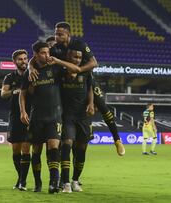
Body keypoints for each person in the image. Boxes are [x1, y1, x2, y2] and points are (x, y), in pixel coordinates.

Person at [29, 22, 125, 156]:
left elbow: (94, 63)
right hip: (66, 81)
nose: (56, 36)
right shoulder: (56, 48)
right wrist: (31, 68)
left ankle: (117, 140)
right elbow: (37, 57)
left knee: (103, 106)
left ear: (68, 34)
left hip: (86, 78)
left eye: (60, 34)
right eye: (56, 34)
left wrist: (79, 70)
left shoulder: (80, 44)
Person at [19, 41, 81, 194]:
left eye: (48, 52)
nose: (47, 55)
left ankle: (54, 182)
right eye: (43, 53)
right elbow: (23, 93)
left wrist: (59, 61)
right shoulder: (30, 72)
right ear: (35, 54)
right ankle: (38, 183)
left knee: (53, 148)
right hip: (37, 116)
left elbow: (76, 69)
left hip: (54, 116)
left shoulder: (56, 68)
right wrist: (22, 112)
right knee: (37, 150)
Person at [60, 46, 94, 193]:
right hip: (67, 116)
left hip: (82, 116)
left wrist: (91, 103)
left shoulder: (86, 73)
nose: (78, 60)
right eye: (75, 57)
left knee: (81, 149)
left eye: (80, 58)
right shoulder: (60, 72)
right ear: (68, 57)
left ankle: (75, 180)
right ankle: (65, 182)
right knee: (66, 145)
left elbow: (90, 88)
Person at [1, 49, 31, 191]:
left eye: (25, 59)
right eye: (20, 59)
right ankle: (20, 177)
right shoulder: (9, 77)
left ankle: (22, 182)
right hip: (14, 116)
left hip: (29, 116)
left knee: (26, 149)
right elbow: (3, 94)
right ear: (14, 62)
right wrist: (14, 91)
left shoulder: (32, 75)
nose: (23, 61)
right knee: (15, 150)